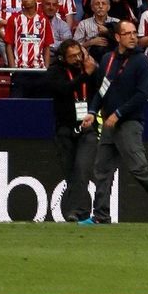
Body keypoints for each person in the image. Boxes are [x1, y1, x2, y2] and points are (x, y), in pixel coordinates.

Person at [77, 19, 148, 225]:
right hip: (109, 123)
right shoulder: (108, 59)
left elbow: (142, 95)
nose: (133, 37)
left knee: (138, 167)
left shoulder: (141, 61)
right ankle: (100, 215)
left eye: (135, 33)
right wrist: (92, 111)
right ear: (118, 37)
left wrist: (118, 113)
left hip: (128, 122)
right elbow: (101, 90)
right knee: (102, 169)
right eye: (128, 33)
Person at [47, 38, 99, 222]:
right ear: (63, 58)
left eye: (79, 54)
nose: (77, 59)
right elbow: (64, 89)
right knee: (70, 173)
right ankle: (80, 212)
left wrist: (91, 70)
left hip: (87, 128)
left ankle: (77, 211)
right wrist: (85, 75)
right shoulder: (55, 71)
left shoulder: (91, 69)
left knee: (82, 169)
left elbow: (102, 90)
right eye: (72, 56)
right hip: (65, 129)